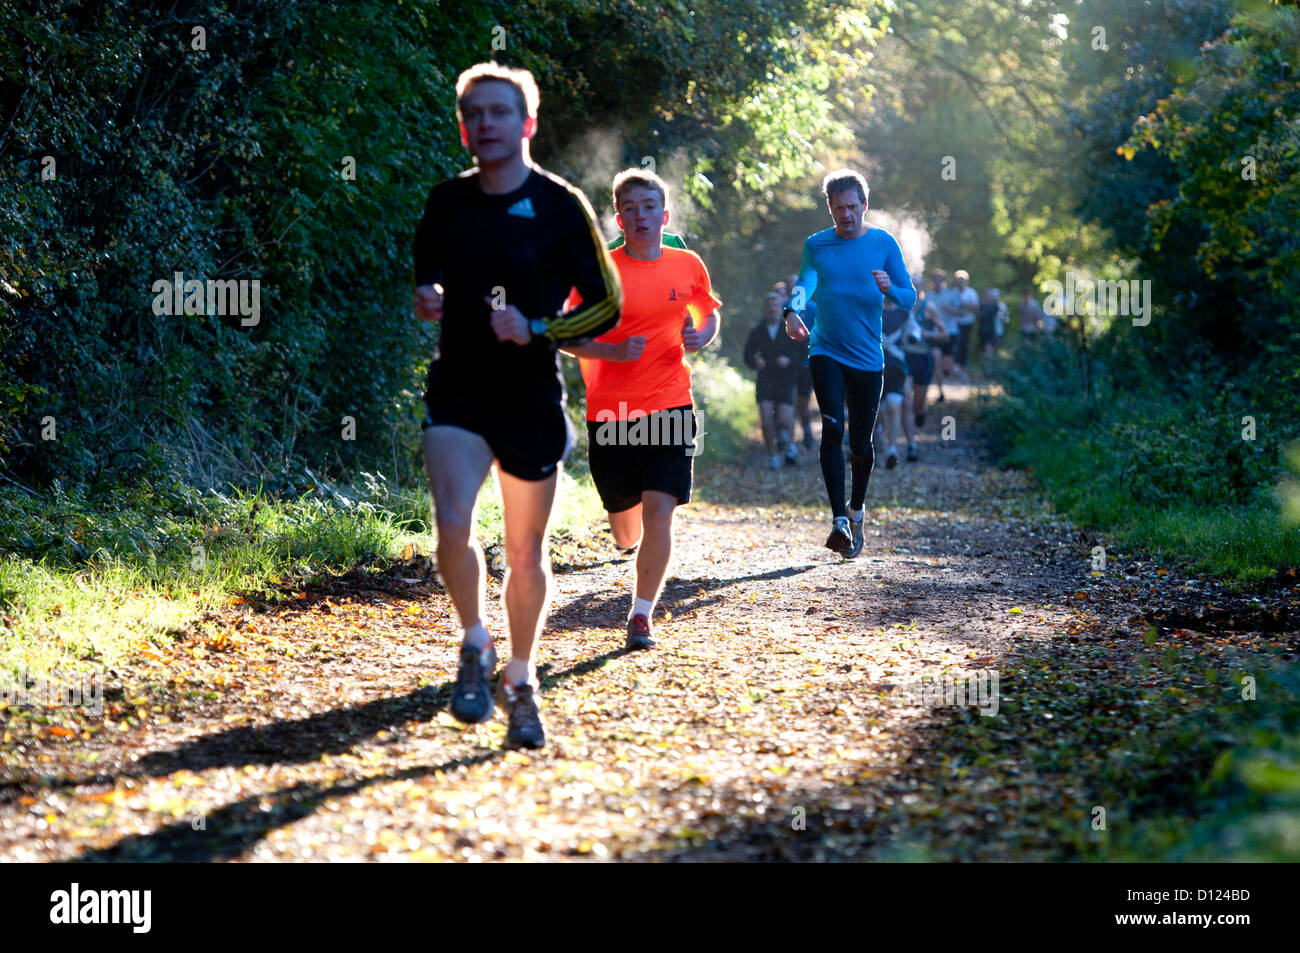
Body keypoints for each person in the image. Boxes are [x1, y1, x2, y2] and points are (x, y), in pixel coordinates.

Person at [412, 62, 622, 750]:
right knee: (451, 521)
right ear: (463, 126)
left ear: (526, 124)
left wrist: (538, 328)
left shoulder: (561, 206)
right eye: (474, 114)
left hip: (529, 393)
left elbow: (606, 303)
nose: (486, 125)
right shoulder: (447, 200)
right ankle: (475, 639)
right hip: (460, 386)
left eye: (499, 113)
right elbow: (428, 269)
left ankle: (520, 676)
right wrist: (430, 295)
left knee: (526, 551)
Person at [563, 168, 721, 651]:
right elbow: (566, 333)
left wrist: (702, 335)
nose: (641, 216)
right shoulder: (600, 271)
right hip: (611, 413)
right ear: (619, 218)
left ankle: (641, 614)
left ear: (664, 214)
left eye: (649, 207)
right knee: (624, 525)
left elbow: (708, 311)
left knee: (660, 513)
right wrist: (611, 353)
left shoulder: (686, 264)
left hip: (671, 404)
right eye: (630, 208)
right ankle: (628, 545)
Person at [784, 169, 916, 557]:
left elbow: (910, 298)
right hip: (825, 350)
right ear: (829, 208)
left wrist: (891, 288)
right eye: (839, 207)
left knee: (860, 442)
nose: (846, 214)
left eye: (853, 207)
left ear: (865, 205)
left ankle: (856, 509)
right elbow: (805, 282)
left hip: (868, 358)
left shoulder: (883, 243)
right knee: (832, 428)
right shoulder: (817, 244)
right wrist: (793, 310)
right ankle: (838, 520)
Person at [744, 292, 802, 469]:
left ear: (781, 309)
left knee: (785, 418)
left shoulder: (790, 329)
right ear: (764, 309)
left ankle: (790, 446)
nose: (771, 309)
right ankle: (773, 456)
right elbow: (747, 355)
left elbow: (802, 352)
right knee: (767, 419)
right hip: (765, 380)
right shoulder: (757, 331)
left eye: (775, 306)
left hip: (786, 379)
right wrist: (756, 362)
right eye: (768, 307)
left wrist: (789, 360)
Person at [785, 273, 817, 449]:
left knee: (804, 402)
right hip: (788, 365)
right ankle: (793, 442)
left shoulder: (813, 308)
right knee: (792, 402)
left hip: (809, 363)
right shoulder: (782, 308)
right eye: (791, 287)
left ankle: (807, 429)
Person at [947, 268, 979, 379]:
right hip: (954, 324)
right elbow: (948, 307)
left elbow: (975, 307)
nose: (960, 282)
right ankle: (954, 368)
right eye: (958, 279)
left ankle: (964, 368)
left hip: (967, 323)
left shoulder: (971, 293)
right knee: (955, 345)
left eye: (962, 280)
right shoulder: (952, 292)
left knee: (964, 346)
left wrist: (965, 307)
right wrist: (959, 311)